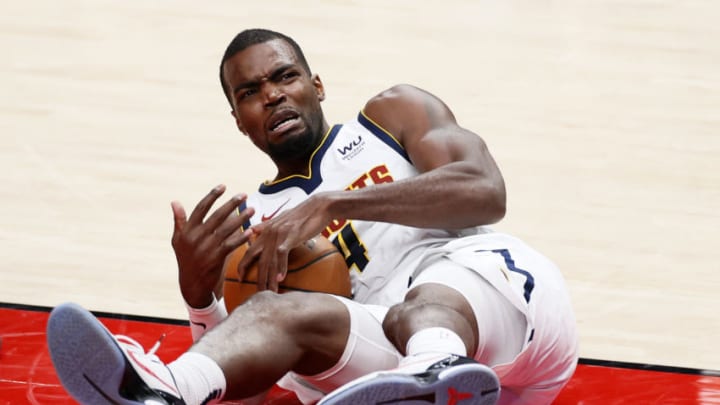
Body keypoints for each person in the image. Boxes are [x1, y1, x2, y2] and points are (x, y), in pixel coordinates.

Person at [46, 28, 578, 405]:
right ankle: (162, 391)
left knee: (426, 296)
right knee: (273, 315)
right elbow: (248, 389)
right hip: (396, 358)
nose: (272, 95)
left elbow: (486, 191)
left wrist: (333, 203)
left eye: (284, 77)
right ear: (238, 120)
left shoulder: (391, 116)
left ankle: (435, 366)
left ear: (316, 85)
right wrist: (197, 295)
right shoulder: (255, 225)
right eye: (250, 93)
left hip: (505, 310)